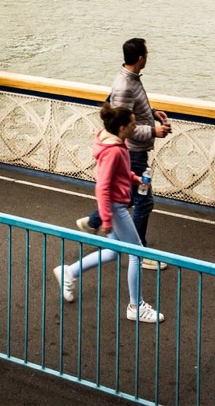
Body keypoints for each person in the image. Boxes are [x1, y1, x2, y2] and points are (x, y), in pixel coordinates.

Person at [53, 103, 164, 323]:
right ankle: (136, 306)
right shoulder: (113, 151)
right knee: (137, 253)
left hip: (116, 204)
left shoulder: (115, 141)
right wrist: (105, 218)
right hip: (115, 206)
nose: (136, 127)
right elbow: (102, 186)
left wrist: (135, 179)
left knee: (113, 253)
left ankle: (70, 272)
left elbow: (122, 172)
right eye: (133, 124)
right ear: (122, 127)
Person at [77, 37, 171, 269]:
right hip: (132, 152)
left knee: (127, 197)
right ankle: (139, 252)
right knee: (143, 201)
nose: (147, 56)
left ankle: (95, 221)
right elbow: (124, 124)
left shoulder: (129, 79)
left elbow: (131, 110)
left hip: (134, 151)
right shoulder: (124, 85)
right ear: (141, 58)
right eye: (146, 53)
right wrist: (153, 131)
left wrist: (152, 112)